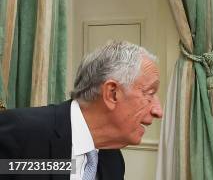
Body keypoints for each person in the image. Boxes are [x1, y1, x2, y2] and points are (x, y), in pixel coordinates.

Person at [0, 40, 163, 180]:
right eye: (149, 94)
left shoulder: (113, 160)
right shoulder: (22, 133)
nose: (158, 111)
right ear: (112, 93)